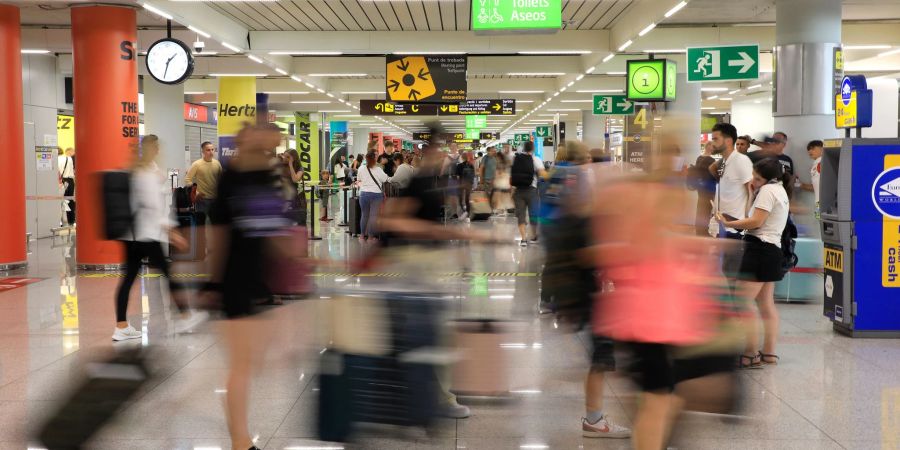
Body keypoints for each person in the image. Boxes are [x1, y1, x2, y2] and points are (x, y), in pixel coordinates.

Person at [206, 123, 299, 450]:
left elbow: (273, 232)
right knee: (242, 364)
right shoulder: (231, 179)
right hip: (236, 280)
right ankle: (240, 442)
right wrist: (213, 283)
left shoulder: (265, 178)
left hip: (259, 279)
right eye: (264, 143)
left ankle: (238, 435)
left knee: (253, 361)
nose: (269, 150)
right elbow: (219, 237)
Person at [113, 135, 207, 342]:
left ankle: (121, 325)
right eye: (156, 148)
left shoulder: (135, 171)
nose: (158, 151)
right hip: (147, 234)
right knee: (168, 273)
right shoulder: (145, 173)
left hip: (132, 235)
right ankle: (184, 315)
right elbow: (152, 206)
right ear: (151, 150)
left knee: (128, 278)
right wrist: (172, 232)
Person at [717, 157, 792, 369]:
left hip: (759, 249)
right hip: (771, 250)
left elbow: (755, 222)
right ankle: (769, 352)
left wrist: (728, 223)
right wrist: (751, 192)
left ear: (768, 179)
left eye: (757, 178)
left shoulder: (768, 191)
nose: (753, 180)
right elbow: (753, 214)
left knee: (743, 302)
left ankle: (750, 353)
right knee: (766, 305)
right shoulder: (778, 190)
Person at [708, 123, 754, 282]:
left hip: (735, 225)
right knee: (724, 270)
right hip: (723, 223)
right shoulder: (725, 162)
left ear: (728, 141)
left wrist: (748, 220)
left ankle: (735, 304)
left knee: (732, 273)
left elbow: (751, 190)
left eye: (715, 139)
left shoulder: (741, 161)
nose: (712, 142)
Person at [511, 141, 547, 246]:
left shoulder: (516, 159)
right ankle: (533, 237)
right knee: (533, 214)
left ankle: (523, 239)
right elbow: (543, 175)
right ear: (533, 148)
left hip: (518, 190)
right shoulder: (536, 160)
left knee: (521, 215)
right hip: (531, 190)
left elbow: (512, 175)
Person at [186, 141, 224, 221]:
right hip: (202, 200)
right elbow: (187, 179)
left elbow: (221, 180)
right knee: (201, 225)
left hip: (215, 200)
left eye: (212, 149)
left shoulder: (217, 164)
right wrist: (196, 193)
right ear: (203, 151)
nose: (211, 152)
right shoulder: (197, 164)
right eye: (208, 150)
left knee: (215, 224)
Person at [687, 141, 718, 236]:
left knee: (701, 208)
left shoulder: (699, 158)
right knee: (707, 209)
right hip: (709, 187)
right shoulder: (711, 160)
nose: (713, 148)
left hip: (701, 187)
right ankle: (703, 230)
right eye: (713, 146)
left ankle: (700, 230)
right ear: (709, 146)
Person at [357, 150, 389, 242]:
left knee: (364, 215)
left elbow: (358, 180)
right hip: (376, 194)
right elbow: (385, 179)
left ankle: (362, 236)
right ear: (374, 159)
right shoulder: (378, 169)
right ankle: (371, 237)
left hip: (363, 194)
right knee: (373, 216)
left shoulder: (361, 168)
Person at [800, 140, 824, 218]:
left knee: (825, 226)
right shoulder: (815, 165)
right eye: (808, 149)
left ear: (822, 148)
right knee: (820, 225)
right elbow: (816, 187)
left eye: (813, 148)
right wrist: (800, 185)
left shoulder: (824, 162)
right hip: (818, 203)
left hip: (826, 203)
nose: (810, 151)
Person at [58, 147, 76, 225]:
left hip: (62, 181)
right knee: (70, 202)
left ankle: (63, 221)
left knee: (62, 202)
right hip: (70, 181)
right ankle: (71, 221)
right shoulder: (69, 158)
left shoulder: (56, 159)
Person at [456, 151, 476, 219]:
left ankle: (463, 211)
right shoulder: (471, 165)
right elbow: (473, 175)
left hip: (461, 183)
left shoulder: (459, 165)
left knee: (460, 198)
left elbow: (457, 177)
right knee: (467, 198)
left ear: (462, 157)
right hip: (469, 183)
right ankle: (467, 212)